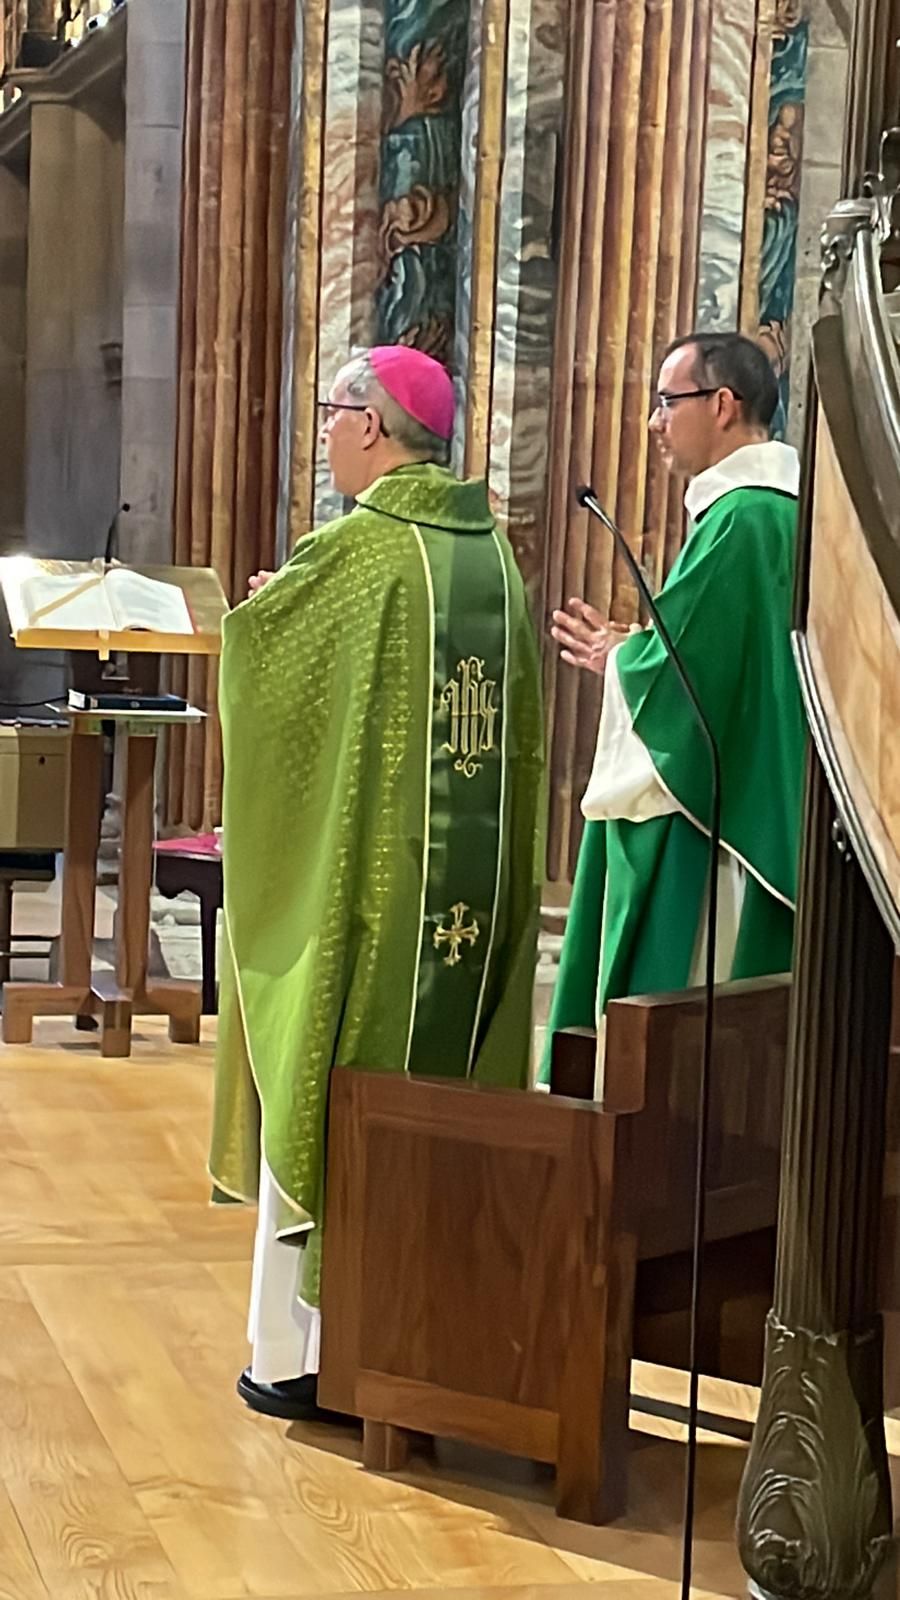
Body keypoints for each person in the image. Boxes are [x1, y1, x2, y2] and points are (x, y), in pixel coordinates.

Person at [210, 345, 544, 1418]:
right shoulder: (492, 553)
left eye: (331, 412)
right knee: (435, 1107)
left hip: (372, 905)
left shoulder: (359, 550)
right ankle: (427, 1338)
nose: (322, 432)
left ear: (373, 424)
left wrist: (261, 618)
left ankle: (304, 1357)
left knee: (330, 1073)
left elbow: (275, 683)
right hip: (466, 911)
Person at [542, 331, 805, 1086]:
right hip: (756, 797)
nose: (655, 422)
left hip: (721, 827)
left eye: (667, 402)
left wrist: (624, 659)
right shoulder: (773, 510)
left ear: (723, 405)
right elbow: (726, 651)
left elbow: (694, 673)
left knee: (690, 1030)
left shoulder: (743, 518)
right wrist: (642, 644)